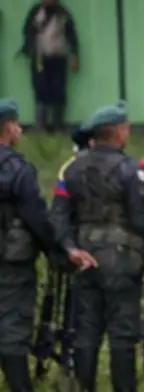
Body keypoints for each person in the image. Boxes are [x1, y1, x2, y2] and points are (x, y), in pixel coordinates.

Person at [49, 101, 144, 392]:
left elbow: (58, 216)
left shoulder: (70, 170)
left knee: (86, 331)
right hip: (123, 262)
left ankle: (86, 387)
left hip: (84, 259)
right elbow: (143, 219)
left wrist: (71, 249)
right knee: (123, 334)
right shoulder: (130, 170)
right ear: (120, 132)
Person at [0, 99, 77, 392]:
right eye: (17, 124)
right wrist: (57, 252)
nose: (20, 130)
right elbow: (38, 219)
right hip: (11, 264)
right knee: (12, 328)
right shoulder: (19, 170)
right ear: (8, 128)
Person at [19, 0, 79, 132]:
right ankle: (41, 126)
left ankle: (58, 125)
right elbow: (27, 31)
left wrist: (75, 55)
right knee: (41, 89)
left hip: (58, 58)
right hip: (39, 59)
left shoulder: (63, 13)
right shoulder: (36, 12)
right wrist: (29, 49)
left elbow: (71, 35)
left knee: (58, 90)